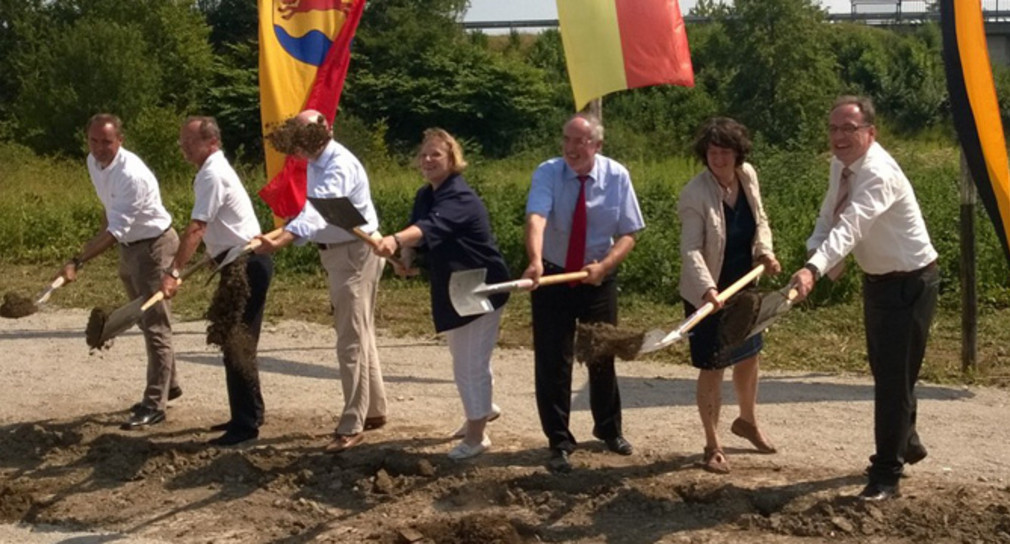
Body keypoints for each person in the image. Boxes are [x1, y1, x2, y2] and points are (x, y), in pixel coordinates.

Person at [791, 96, 939, 501]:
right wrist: (811, 258)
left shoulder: (877, 172)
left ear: (870, 133)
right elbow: (829, 219)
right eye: (834, 128)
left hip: (911, 282)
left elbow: (851, 227)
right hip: (878, 282)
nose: (839, 137)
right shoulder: (841, 166)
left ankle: (886, 475)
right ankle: (906, 441)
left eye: (849, 129)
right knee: (890, 372)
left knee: (892, 380)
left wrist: (814, 270)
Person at [255, 109, 386, 453]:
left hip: (354, 254)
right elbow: (313, 213)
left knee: (350, 340)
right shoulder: (315, 161)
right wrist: (286, 233)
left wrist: (283, 239)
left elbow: (318, 212)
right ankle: (373, 410)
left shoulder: (338, 164)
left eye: (305, 134)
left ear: (324, 131)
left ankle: (352, 423)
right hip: (340, 252)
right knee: (360, 332)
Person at [373, 128, 508, 460]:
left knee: (469, 362)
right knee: (466, 356)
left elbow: (431, 227)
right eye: (424, 155)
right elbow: (419, 234)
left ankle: (477, 436)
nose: (428, 160)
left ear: (452, 159)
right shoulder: (426, 195)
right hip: (454, 286)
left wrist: (395, 239)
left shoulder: (460, 197)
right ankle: (482, 408)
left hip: (480, 285)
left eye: (436, 154)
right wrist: (404, 260)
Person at [522, 113, 645, 473]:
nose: (572, 148)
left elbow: (629, 233)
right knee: (553, 360)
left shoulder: (617, 176)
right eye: (567, 140)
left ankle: (609, 430)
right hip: (553, 277)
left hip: (597, 277)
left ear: (597, 145)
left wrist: (604, 267)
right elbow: (536, 218)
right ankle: (559, 441)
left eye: (581, 141)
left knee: (601, 354)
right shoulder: (548, 172)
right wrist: (535, 260)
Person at [60, 113, 180, 430]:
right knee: (145, 319)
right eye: (94, 141)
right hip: (130, 248)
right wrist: (86, 251)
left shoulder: (132, 175)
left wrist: (78, 259)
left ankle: (154, 405)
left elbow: (114, 230)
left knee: (156, 326)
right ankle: (171, 384)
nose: (100, 148)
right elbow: (108, 211)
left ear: (120, 141)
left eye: (107, 142)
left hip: (155, 248)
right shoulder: (93, 163)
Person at [161, 116, 273, 446]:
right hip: (237, 259)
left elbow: (197, 228)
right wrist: (212, 254)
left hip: (246, 264)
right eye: (182, 139)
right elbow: (224, 226)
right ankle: (249, 412)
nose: (183, 146)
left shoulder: (212, 173)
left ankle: (245, 424)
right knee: (236, 340)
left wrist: (174, 271)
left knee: (235, 341)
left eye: (190, 141)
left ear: (211, 143)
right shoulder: (212, 170)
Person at [678, 117, 782, 474]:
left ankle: (747, 422)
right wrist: (708, 289)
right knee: (713, 366)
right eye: (712, 152)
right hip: (707, 293)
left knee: (750, 357)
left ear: (738, 154)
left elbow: (761, 219)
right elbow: (691, 250)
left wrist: (765, 251)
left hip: (744, 286)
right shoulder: (695, 194)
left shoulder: (747, 176)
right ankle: (712, 443)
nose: (718, 159)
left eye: (725, 152)